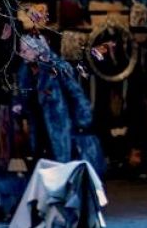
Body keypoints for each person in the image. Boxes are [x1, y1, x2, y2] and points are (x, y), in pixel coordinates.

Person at [14, 35, 94, 164]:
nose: (22, 53)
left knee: (60, 164)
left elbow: (76, 93)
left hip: (58, 126)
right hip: (38, 128)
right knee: (40, 166)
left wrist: (84, 120)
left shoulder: (58, 67)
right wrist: (18, 106)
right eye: (21, 50)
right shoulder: (24, 72)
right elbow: (20, 96)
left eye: (26, 50)